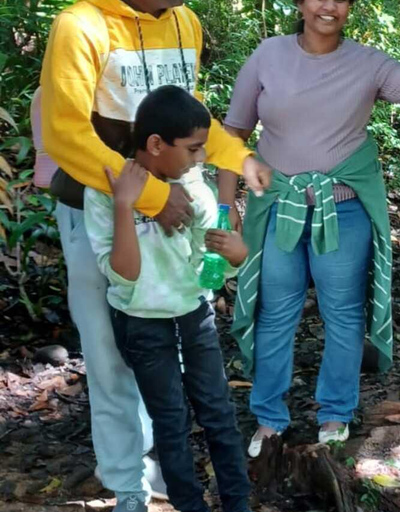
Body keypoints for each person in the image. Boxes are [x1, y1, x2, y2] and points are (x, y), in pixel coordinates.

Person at [218, 0, 400, 458]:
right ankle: (269, 419)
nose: (328, 6)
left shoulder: (366, 62)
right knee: (275, 314)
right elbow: (234, 131)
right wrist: (227, 203)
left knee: (343, 315)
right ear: (300, 4)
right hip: (279, 209)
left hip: (343, 213)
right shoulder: (268, 55)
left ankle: (335, 413)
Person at [37, 1, 269, 510]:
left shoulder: (184, 21)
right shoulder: (81, 25)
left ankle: (171, 473)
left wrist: (237, 158)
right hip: (101, 207)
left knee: (172, 351)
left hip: (177, 203)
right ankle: (127, 486)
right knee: (108, 354)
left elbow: (193, 116)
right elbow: (66, 133)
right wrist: (150, 199)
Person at [84, 85, 252, 512]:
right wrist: (126, 206)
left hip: (193, 316)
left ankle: (238, 504)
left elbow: (208, 264)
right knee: (171, 423)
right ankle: (188, 505)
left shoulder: (194, 185)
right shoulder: (107, 188)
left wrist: (235, 256)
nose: (199, 160)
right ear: (156, 144)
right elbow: (124, 274)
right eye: (193, 149)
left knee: (218, 414)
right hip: (141, 322)